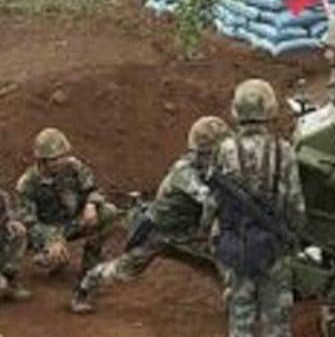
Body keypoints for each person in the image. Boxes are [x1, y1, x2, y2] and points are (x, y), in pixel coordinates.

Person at [70, 116, 232, 314]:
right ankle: (87, 284)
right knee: (125, 271)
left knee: (218, 261)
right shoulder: (184, 171)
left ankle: (235, 303)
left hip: (185, 232)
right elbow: (208, 200)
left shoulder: (215, 168)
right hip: (158, 231)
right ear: (204, 150)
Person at [212, 79, 306, 337]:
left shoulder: (224, 151)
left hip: (236, 242)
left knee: (240, 307)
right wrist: (295, 234)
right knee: (276, 308)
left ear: (237, 112)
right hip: (273, 244)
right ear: (269, 110)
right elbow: (295, 203)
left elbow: (214, 203)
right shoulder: (284, 151)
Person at [15, 129, 118, 286]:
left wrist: (90, 204)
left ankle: (90, 267)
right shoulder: (27, 184)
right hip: (45, 231)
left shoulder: (73, 167)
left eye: (63, 156)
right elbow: (29, 222)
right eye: (55, 159)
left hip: (72, 224)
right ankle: (45, 258)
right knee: (52, 254)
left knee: (108, 212)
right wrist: (53, 238)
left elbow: (94, 189)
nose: (62, 161)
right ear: (42, 161)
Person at [0, 189, 30, 303]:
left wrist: (12, 222)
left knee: (18, 231)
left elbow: (9, 217)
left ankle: (11, 278)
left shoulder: (2, 197)